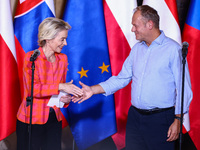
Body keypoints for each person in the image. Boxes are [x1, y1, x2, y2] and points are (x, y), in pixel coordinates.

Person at [72, 5, 193, 150]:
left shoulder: (173, 50)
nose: (132, 29)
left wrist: (178, 119)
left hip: (161, 120)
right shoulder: (137, 49)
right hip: (135, 118)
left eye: (135, 25)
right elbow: (122, 78)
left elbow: (183, 88)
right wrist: (92, 89)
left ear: (150, 24)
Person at [16, 17, 83, 150]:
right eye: (62, 39)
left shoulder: (63, 59)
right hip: (32, 119)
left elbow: (59, 91)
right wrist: (61, 86)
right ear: (48, 38)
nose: (66, 43)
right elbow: (33, 90)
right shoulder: (31, 58)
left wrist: (65, 98)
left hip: (54, 119)